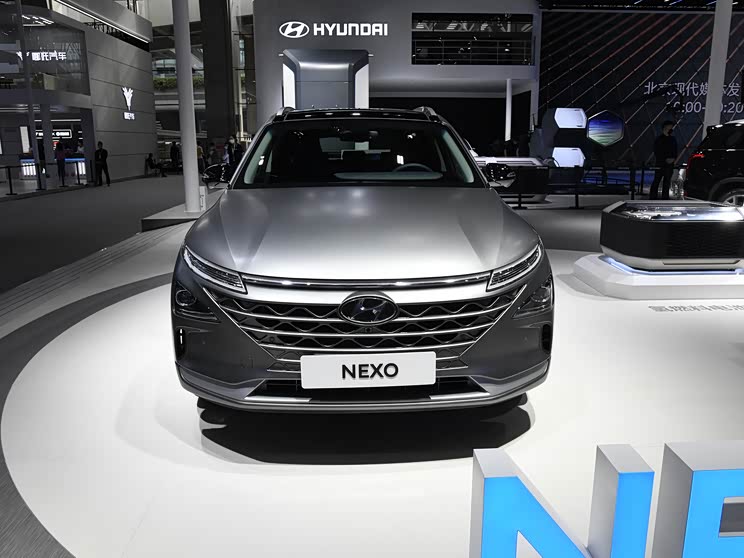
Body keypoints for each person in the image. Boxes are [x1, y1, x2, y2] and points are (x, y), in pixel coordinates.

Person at [649, 120, 678, 200]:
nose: (671, 128)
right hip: (660, 164)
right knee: (656, 181)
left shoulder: (673, 139)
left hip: (669, 165)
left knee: (667, 182)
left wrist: (673, 159)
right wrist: (665, 159)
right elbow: (657, 151)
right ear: (665, 127)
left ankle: (665, 198)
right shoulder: (659, 139)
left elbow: (675, 151)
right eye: (670, 127)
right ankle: (652, 198)